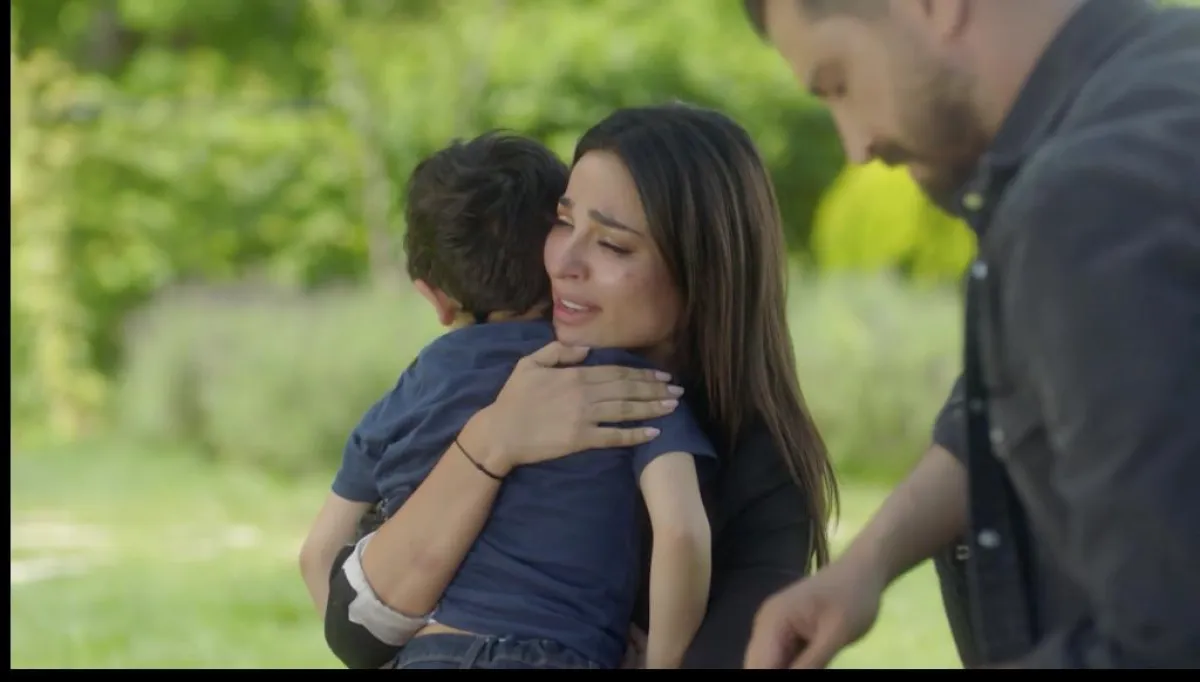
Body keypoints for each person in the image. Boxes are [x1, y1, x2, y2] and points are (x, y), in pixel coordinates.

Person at [742, 0, 1200, 669]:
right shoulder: (1168, 75)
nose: (857, 145)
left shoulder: (1091, 200)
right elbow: (1023, 400)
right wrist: (867, 564)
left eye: (839, 82)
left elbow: (1164, 640)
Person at [315, 102, 840, 670]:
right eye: (563, 222)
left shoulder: (760, 473)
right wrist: (490, 441)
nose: (563, 261)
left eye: (612, 245)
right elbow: (355, 631)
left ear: (703, 272)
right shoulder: (490, 383)